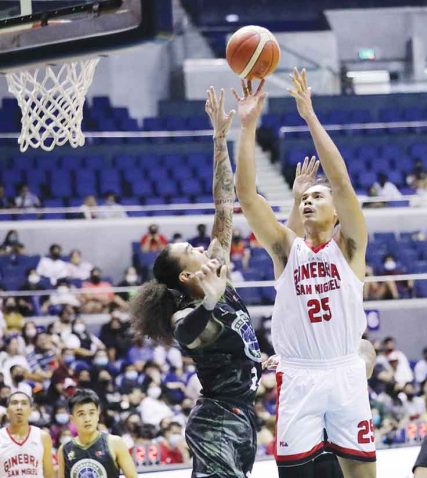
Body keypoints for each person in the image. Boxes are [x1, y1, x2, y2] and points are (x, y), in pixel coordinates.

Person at [234, 70, 376, 476]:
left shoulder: (349, 247)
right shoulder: (286, 249)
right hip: (299, 376)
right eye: (306, 197)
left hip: (344, 372)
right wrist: (247, 125)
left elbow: (342, 182)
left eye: (318, 196)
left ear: (336, 213)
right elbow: (246, 195)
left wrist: (309, 115)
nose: (311, 200)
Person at [129, 87, 262, 478]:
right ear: (186, 275)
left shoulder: (216, 271)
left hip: (241, 417)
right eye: (191, 248)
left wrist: (220, 137)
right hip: (216, 422)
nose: (203, 247)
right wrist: (208, 303)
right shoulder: (187, 311)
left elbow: (224, 204)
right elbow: (187, 334)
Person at [58, 388, 137, 478]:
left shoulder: (115, 443)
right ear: (72, 419)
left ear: (98, 415)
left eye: (91, 413)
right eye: (81, 414)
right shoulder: (64, 449)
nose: (87, 419)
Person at [0, 391, 54, 477]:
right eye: (14, 403)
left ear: (31, 411)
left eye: (24, 403)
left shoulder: (43, 437)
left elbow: (49, 474)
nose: (19, 407)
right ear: (7, 411)